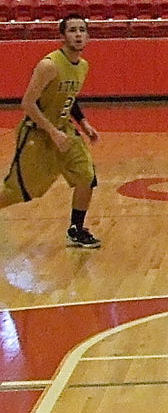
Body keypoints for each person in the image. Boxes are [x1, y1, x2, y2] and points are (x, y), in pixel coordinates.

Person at [0, 14, 103, 249]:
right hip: (37, 133)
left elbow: (70, 98)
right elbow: (27, 103)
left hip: (65, 131)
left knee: (87, 176)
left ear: (87, 36)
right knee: (21, 192)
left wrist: (84, 124)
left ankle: (76, 229)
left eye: (82, 30)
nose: (78, 35)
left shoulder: (83, 65)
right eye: (72, 30)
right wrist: (52, 132)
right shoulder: (50, 65)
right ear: (62, 36)